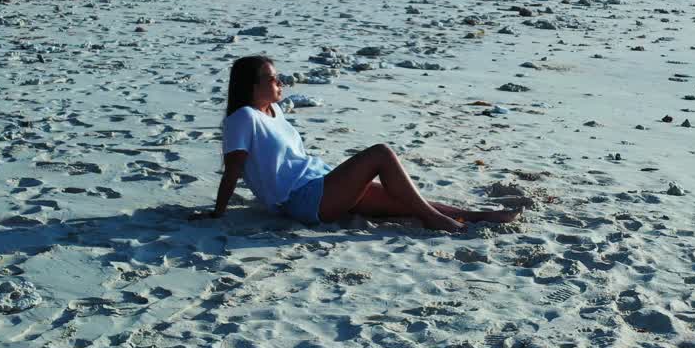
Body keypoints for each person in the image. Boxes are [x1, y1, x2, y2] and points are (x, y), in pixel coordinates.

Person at [194, 55, 520, 231]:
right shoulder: (242, 118)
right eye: (272, 78)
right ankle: (439, 221)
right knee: (380, 153)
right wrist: (217, 213)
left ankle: (475, 215)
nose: (280, 82)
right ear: (252, 85)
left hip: (321, 183)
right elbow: (233, 170)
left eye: (279, 76)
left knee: (406, 202)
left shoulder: (274, 111)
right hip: (303, 200)